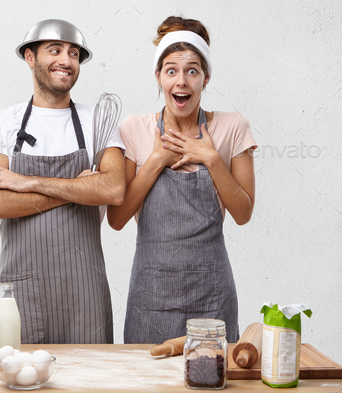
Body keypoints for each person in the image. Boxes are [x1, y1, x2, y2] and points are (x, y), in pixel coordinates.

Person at [108, 16, 257, 344]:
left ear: (206, 78)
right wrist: (157, 159)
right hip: (151, 300)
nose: (182, 82)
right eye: (171, 70)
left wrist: (212, 159)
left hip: (212, 297)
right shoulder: (134, 129)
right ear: (158, 76)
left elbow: (243, 213)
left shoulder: (232, 127)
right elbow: (116, 219)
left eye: (192, 70)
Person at [0, 19, 126, 344]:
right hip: (21, 290)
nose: (66, 61)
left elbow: (113, 189)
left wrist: (24, 183)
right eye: (55, 50)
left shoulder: (96, 121)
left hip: (84, 289)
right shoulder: (1, 123)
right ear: (30, 57)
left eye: (74, 54)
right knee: (17, 379)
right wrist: (79, 188)